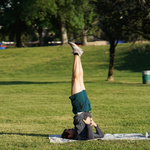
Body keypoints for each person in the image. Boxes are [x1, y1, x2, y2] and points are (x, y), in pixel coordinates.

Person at [61, 42, 104, 140]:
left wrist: (95, 125)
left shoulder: (78, 132)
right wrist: (90, 124)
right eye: (67, 131)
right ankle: (77, 53)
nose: (69, 128)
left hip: (86, 107)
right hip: (80, 108)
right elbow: (90, 137)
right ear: (70, 136)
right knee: (75, 79)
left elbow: (101, 136)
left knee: (79, 79)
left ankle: (78, 54)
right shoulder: (78, 136)